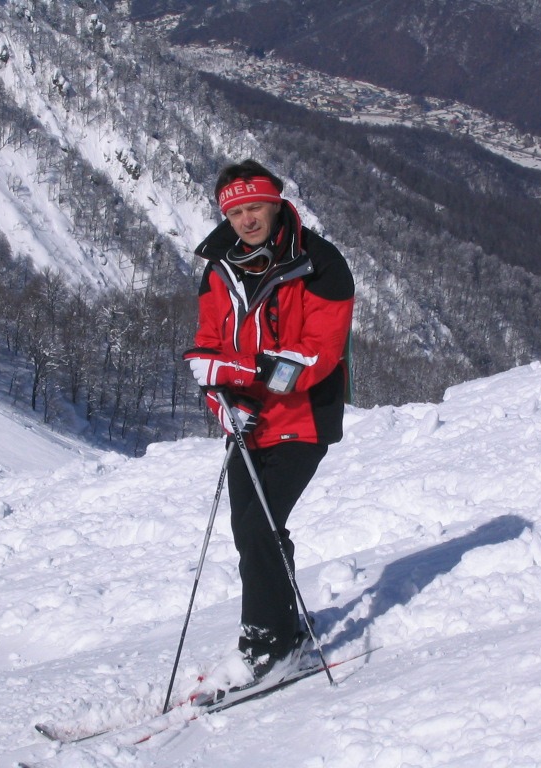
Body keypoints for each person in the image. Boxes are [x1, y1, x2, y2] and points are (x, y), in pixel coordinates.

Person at [183, 159, 355, 688]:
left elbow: (317, 355)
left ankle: (267, 645)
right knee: (252, 531)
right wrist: (222, 404)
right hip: (247, 423)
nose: (247, 220)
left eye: (256, 207)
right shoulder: (220, 270)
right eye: (236, 212)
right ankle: (283, 629)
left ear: (276, 203)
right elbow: (207, 349)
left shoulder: (320, 264)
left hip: (304, 418)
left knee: (259, 526)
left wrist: (241, 372)